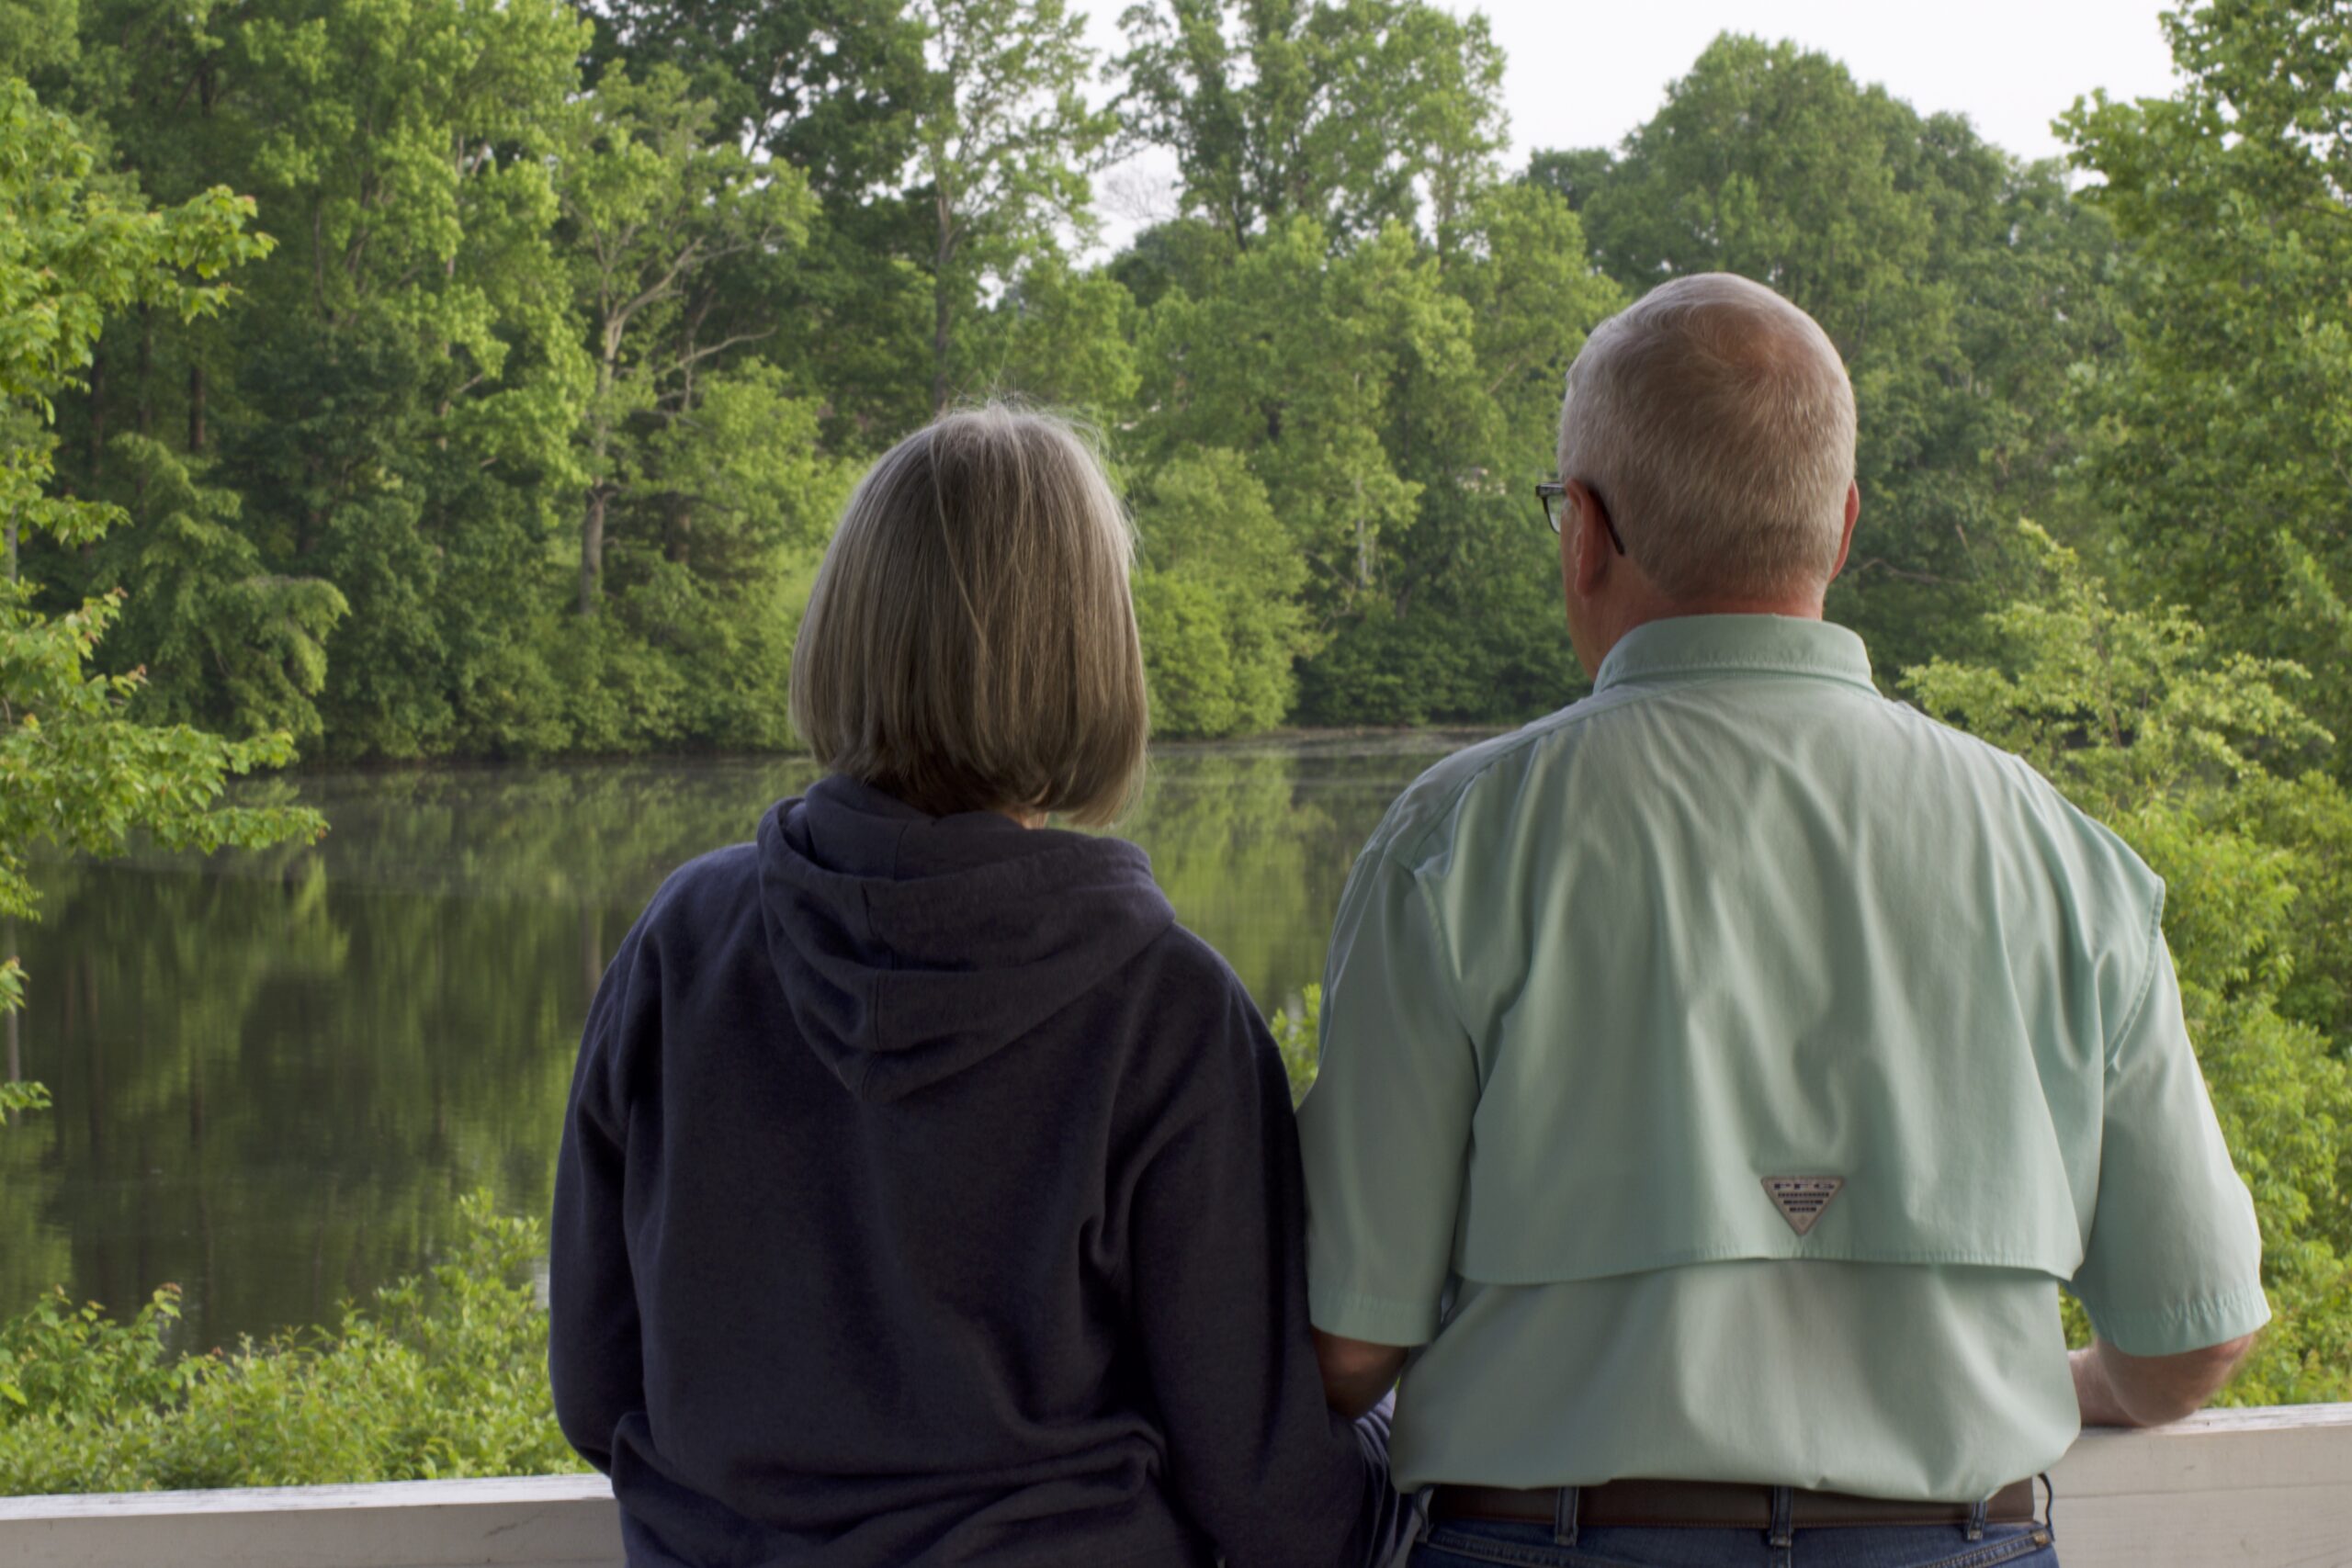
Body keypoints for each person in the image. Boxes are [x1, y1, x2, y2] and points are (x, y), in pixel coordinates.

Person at [1296, 274, 2268, 1568]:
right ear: (1844, 526)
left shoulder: (1454, 840)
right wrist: (2065, 1381)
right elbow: (2190, 1335)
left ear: (1581, 531)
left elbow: (1347, 1343)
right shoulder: (2057, 852)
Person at [549, 405, 1407, 1568]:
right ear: (1089, 653)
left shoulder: (681, 944)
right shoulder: (1166, 1014)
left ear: (847, 627)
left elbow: (597, 1391)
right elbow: (1265, 1496)